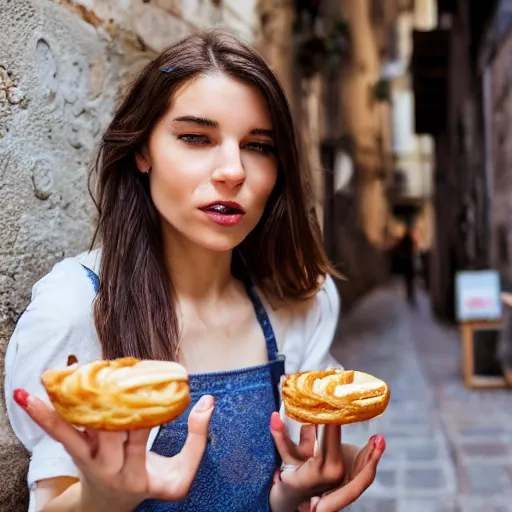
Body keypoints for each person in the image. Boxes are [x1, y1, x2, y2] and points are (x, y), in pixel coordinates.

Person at [4, 31, 385, 512]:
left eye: (259, 146)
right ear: (142, 151)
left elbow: (279, 486)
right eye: (195, 138)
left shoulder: (295, 304)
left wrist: (291, 495)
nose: (233, 170)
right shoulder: (77, 309)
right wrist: (104, 495)